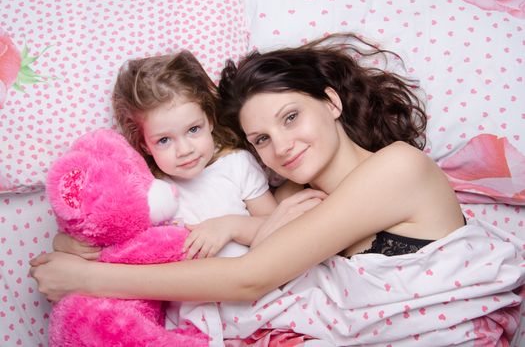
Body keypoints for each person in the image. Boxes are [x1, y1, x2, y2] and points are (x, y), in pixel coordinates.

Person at [31, 32, 467, 303]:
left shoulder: (399, 167)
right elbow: (206, 245)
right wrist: (77, 248)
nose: (281, 145)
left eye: (291, 117)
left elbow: (247, 279)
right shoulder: (292, 199)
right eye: (260, 139)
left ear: (331, 102)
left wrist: (88, 278)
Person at [53, 50, 278, 261]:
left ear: (209, 119)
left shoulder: (237, 165)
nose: (185, 150)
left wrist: (229, 227)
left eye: (193, 129)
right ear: (145, 145)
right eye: (164, 140)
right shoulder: (146, 190)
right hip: (192, 299)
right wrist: (64, 243)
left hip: (255, 291)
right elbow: (104, 235)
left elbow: (277, 228)